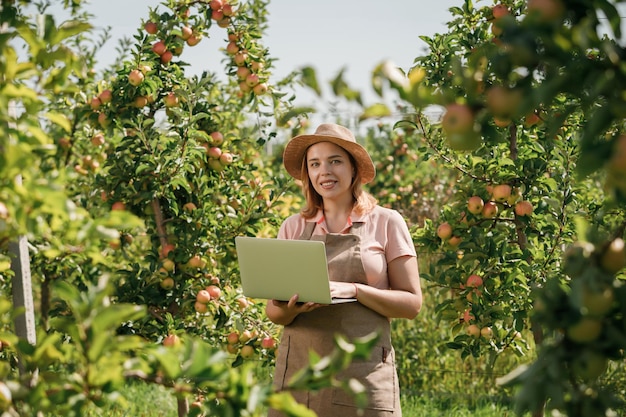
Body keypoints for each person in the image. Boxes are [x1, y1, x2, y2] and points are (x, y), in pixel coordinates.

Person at [266, 123, 422, 417]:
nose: (324, 171)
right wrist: (294, 308)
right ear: (308, 174)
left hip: (363, 378)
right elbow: (274, 313)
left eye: (335, 161)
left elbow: (412, 304)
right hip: (301, 375)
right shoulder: (293, 227)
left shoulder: (387, 222)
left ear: (354, 169)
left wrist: (353, 290)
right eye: (315, 164)